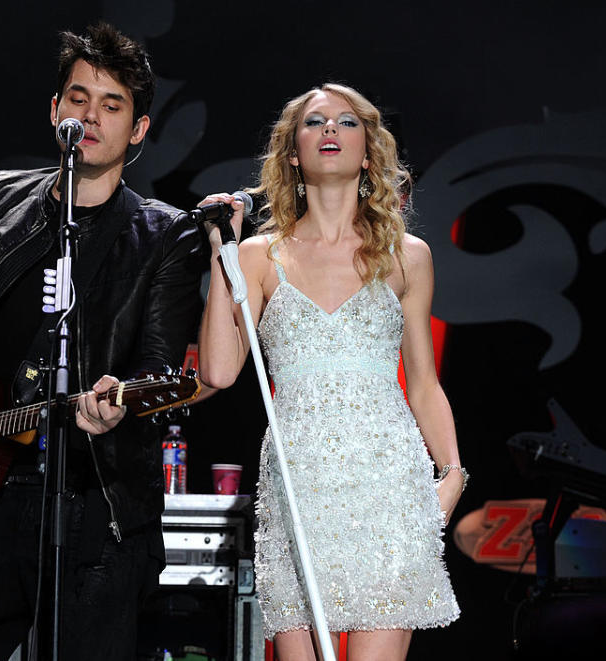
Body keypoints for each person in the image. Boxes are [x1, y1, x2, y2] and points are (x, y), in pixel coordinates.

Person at [0, 23, 203, 661]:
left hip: (95, 504)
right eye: (78, 97)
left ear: (139, 130)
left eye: (112, 105)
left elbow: (156, 364)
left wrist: (118, 400)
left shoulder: (163, 235)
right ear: (55, 109)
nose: (90, 116)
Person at [197, 83, 464, 661]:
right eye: (315, 123)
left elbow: (423, 381)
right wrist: (224, 251)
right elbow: (218, 370)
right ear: (292, 153)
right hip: (299, 487)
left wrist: (453, 474)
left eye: (346, 123)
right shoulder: (255, 255)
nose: (330, 132)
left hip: (388, 483)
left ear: (368, 151)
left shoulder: (408, 256)